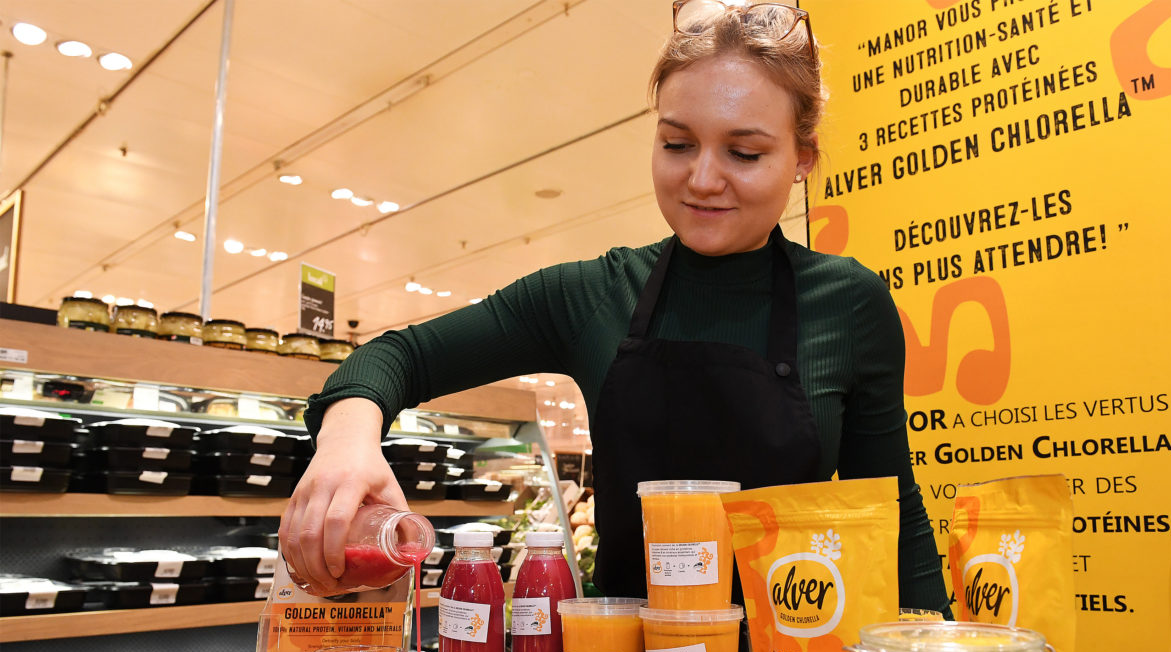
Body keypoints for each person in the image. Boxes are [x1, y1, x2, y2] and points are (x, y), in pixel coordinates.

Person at [280, 0, 950, 616]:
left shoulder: (848, 304)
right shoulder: (593, 295)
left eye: (743, 152)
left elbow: (893, 518)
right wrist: (345, 443)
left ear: (802, 159)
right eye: (676, 143)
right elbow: (398, 356)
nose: (703, 179)